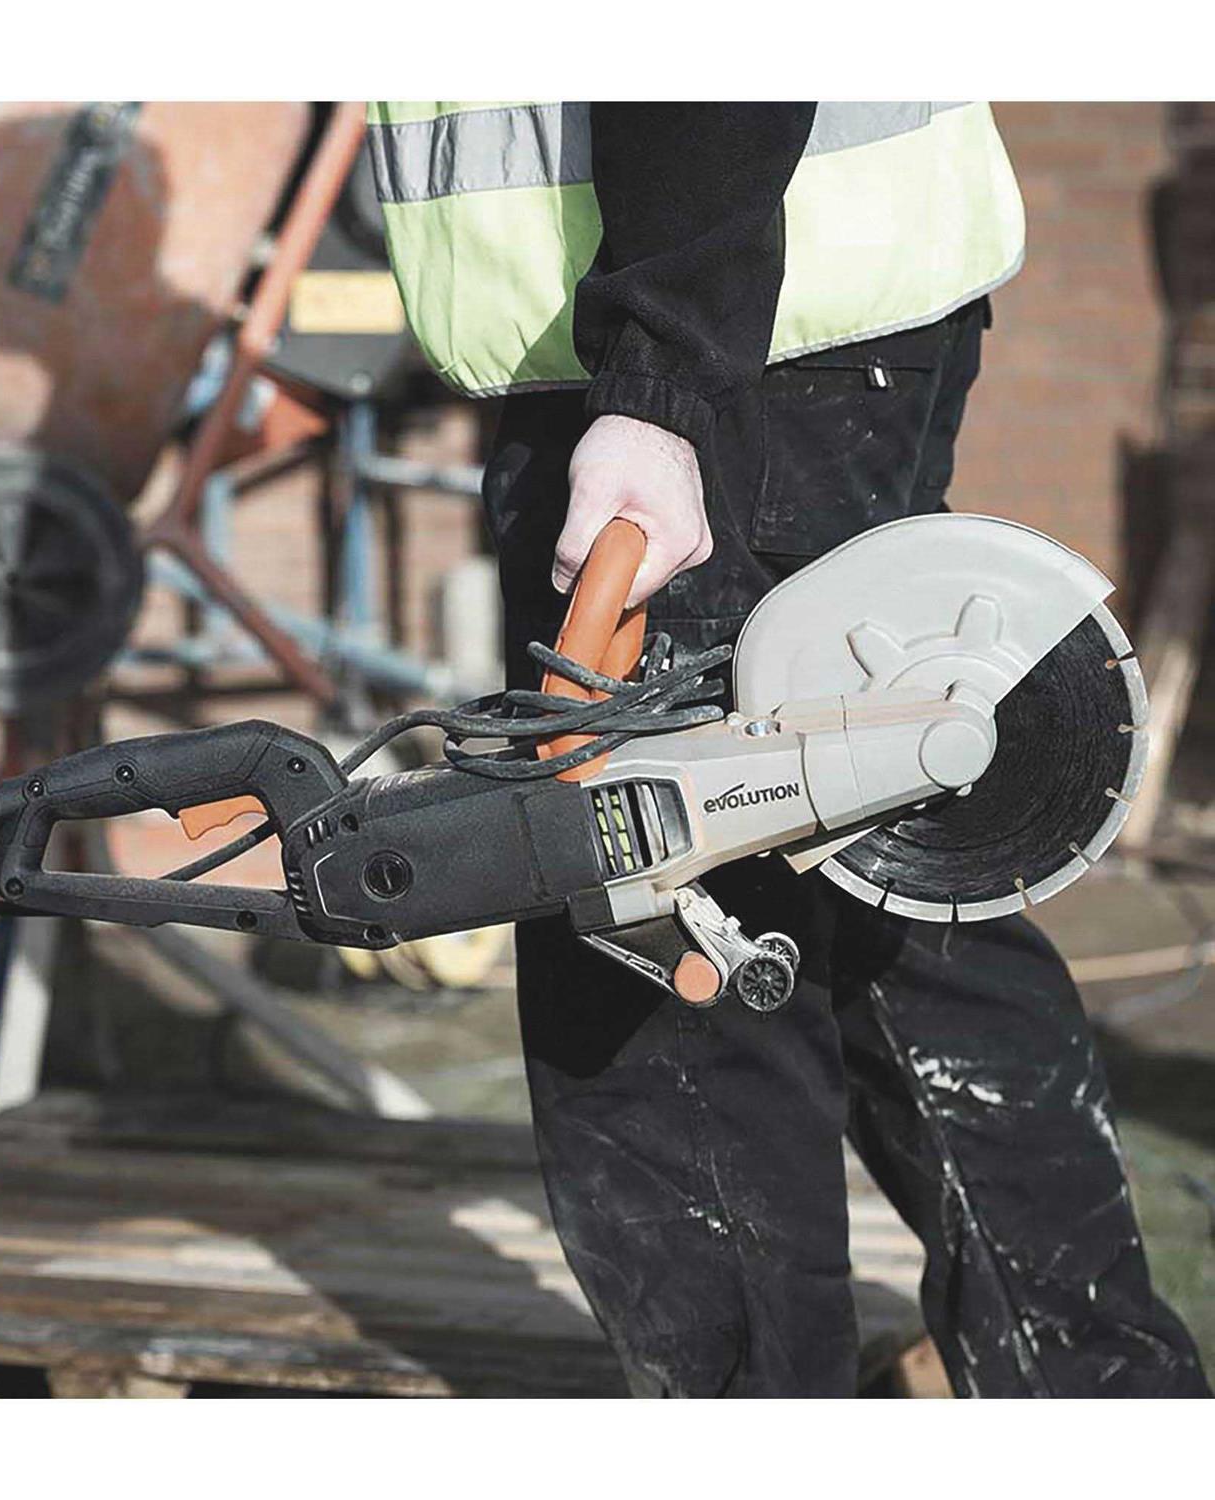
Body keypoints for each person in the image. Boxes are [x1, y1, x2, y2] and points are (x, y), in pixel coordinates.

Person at [367, 101, 1210, 1397]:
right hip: (758, 320)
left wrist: (661, 385)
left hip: (702, 343)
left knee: (661, 948)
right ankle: (1101, 1399)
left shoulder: (671, 367)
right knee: (898, 873)